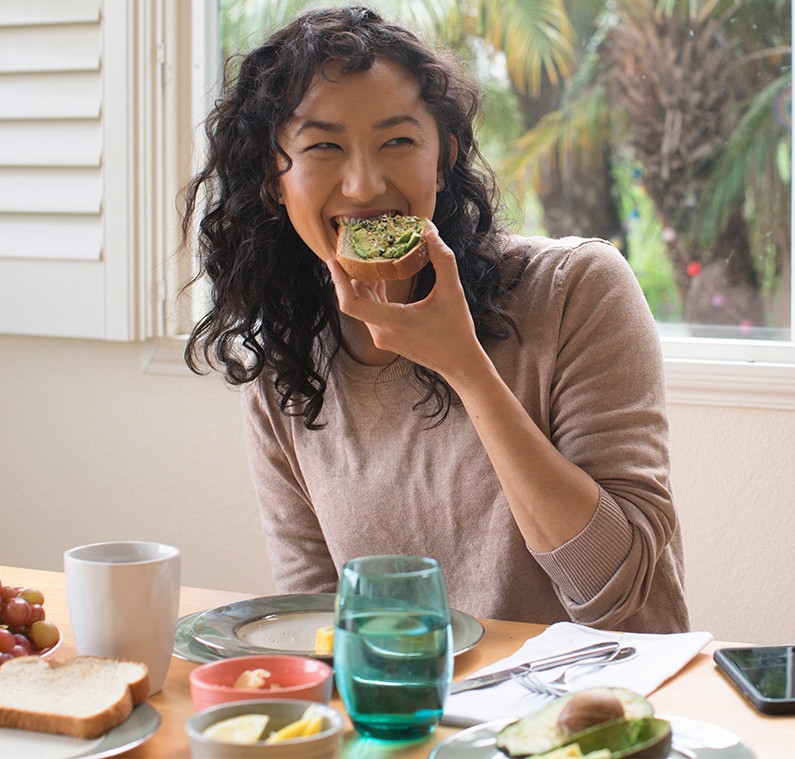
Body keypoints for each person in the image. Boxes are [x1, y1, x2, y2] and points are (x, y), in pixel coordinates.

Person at [182, 5, 689, 633]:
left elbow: (615, 590)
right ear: (272, 178)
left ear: (444, 158)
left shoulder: (575, 288)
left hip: (606, 690)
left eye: (397, 141)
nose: (364, 185)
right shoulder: (284, 366)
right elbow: (320, 622)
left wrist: (466, 366)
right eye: (323, 147)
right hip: (416, 693)